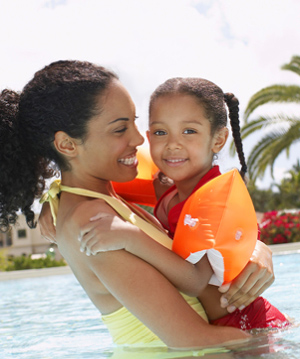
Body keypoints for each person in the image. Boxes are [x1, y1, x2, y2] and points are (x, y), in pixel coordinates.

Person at [78, 77, 289, 330]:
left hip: (249, 324)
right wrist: (54, 201)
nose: (173, 144)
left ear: (218, 140)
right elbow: (102, 183)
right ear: (148, 136)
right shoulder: (171, 189)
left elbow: (195, 281)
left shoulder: (210, 201)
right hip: (227, 326)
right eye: (160, 132)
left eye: (189, 131)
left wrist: (130, 237)